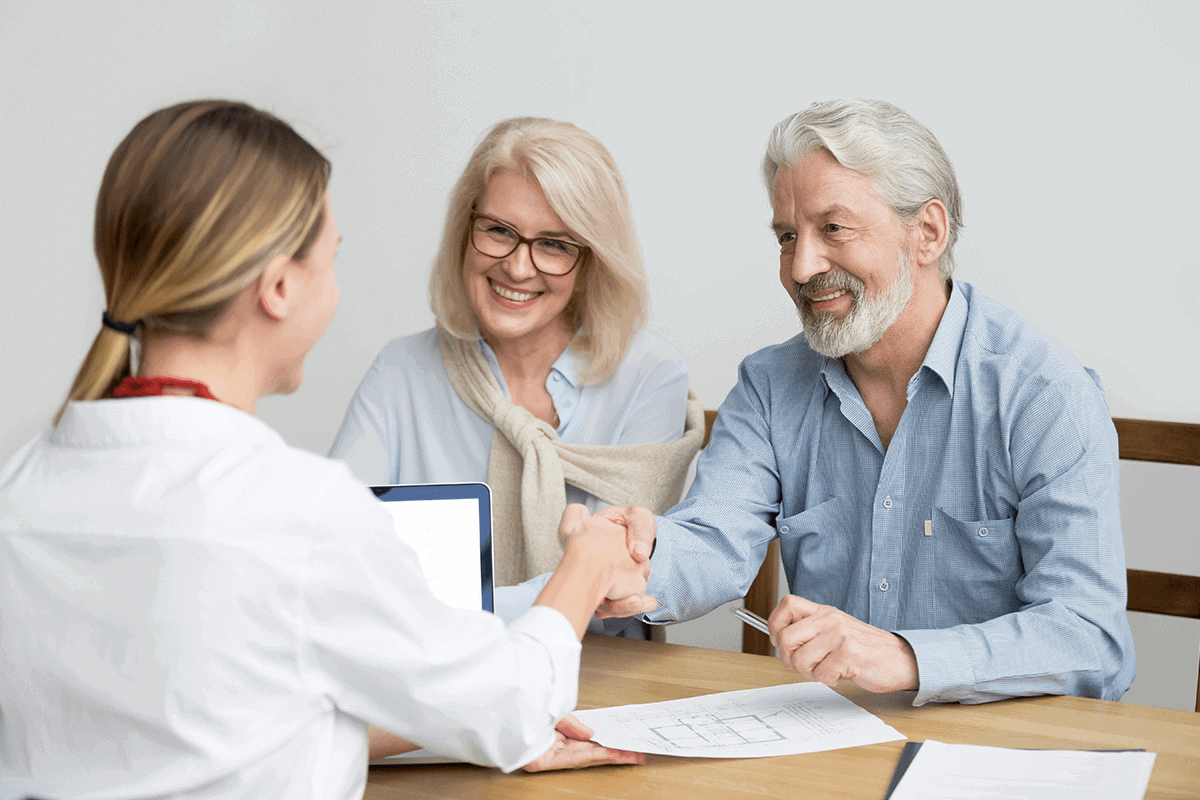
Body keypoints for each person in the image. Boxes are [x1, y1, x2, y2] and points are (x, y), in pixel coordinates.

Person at [0, 100, 655, 800]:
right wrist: (586, 562)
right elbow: (516, 708)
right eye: (331, 259)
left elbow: (225, 724)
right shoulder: (301, 514)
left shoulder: (21, 485)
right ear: (281, 289)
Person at [602, 99, 1136, 705]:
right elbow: (713, 542)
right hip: (832, 740)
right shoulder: (769, 386)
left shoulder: (1045, 394)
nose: (802, 267)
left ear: (927, 232)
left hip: (1006, 751)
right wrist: (640, 558)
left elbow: (1088, 637)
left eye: (833, 228)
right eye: (787, 236)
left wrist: (908, 657)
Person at [329, 117, 704, 635]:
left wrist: (431, 605)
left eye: (554, 244)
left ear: (591, 262)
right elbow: (337, 556)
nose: (519, 268)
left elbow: (610, 583)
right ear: (466, 230)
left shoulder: (650, 378)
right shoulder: (401, 372)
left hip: (600, 678)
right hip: (430, 673)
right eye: (499, 231)